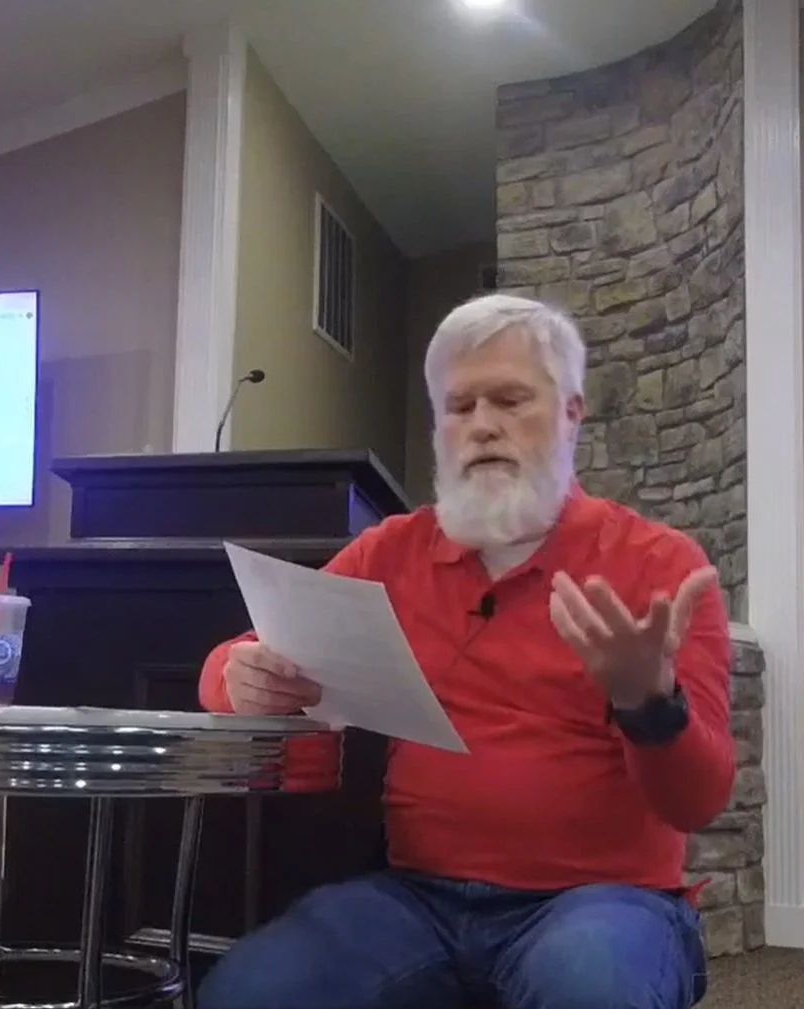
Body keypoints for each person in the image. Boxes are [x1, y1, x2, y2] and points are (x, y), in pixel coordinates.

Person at [194, 293, 733, 1009]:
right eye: (459, 406)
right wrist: (237, 680)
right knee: (250, 991)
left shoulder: (657, 563)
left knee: (591, 989)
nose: (482, 425)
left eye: (511, 399)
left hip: (602, 899)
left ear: (571, 411)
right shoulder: (393, 551)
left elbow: (698, 799)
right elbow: (240, 653)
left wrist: (648, 704)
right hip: (418, 895)